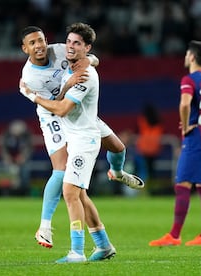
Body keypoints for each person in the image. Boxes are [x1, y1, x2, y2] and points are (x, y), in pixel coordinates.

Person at [18, 26, 144, 249]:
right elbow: (57, 104)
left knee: (118, 148)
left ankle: (117, 172)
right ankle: (45, 226)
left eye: (40, 40)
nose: (38, 46)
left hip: (78, 109)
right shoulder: (30, 77)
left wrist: (91, 61)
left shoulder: (59, 50)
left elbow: (85, 55)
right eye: (32, 43)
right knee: (62, 170)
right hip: (53, 114)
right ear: (25, 48)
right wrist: (59, 86)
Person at [149, 40, 201, 247]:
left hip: (197, 139)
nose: (185, 56)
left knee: (182, 184)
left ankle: (174, 235)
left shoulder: (189, 80)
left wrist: (186, 126)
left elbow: (185, 103)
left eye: (187, 53)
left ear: (192, 57)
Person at [0, 119, 33, 196]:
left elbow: (29, 148)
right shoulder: (7, 135)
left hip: (23, 161)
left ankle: (24, 193)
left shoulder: (26, 135)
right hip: (9, 160)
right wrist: (7, 158)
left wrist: (23, 157)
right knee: (7, 175)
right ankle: (7, 193)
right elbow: (3, 149)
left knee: (24, 173)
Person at [134, 103, 164, 181]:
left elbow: (137, 132)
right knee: (150, 170)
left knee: (142, 170)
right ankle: (149, 185)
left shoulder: (142, 121)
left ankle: (143, 185)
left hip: (143, 150)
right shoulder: (158, 121)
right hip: (153, 150)